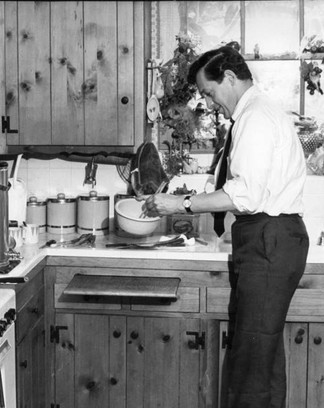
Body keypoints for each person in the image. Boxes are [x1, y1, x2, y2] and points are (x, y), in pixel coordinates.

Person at [143, 45, 309, 408]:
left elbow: (244, 195)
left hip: (269, 238)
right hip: (271, 239)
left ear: (230, 78)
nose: (209, 101)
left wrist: (180, 203)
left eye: (209, 92)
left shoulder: (256, 117)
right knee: (261, 356)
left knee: (251, 361)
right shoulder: (257, 113)